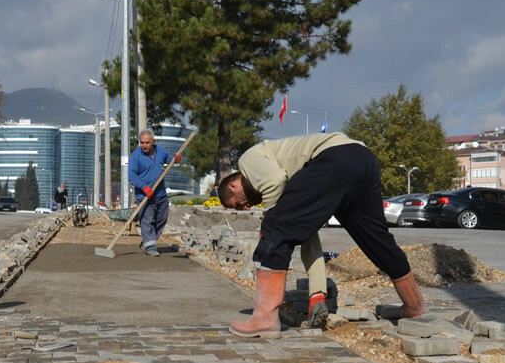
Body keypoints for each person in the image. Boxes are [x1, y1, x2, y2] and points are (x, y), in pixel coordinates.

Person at [218, 132, 427, 337]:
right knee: (376, 239)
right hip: (362, 159)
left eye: (236, 203)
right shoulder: (300, 181)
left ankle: (264, 319)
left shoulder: (248, 160)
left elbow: (274, 181)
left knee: (274, 230)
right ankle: (414, 305)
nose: (244, 208)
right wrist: (317, 294)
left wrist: (272, 220)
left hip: (334, 158)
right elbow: (307, 235)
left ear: (233, 185)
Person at [129, 130, 179, 257]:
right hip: (145, 195)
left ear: (153, 142)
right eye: (142, 143)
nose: (144, 145)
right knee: (147, 221)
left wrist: (175, 159)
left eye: (147, 143)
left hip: (160, 193)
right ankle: (150, 246)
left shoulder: (159, 151)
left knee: (162, 219)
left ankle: (147, 241)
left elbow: (169, 159)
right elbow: (131, 176)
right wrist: (144, 187)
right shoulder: (136, 156)